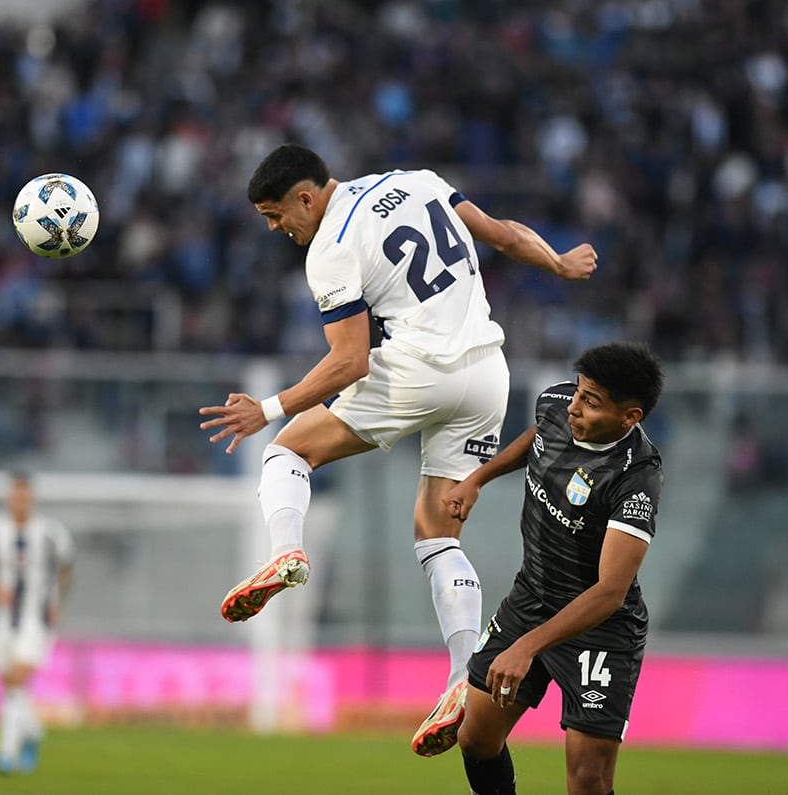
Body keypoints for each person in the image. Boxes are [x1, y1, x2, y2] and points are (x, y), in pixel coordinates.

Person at [199, 143, 598, 755]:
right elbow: (503, 235)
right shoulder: (417, 181)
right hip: (489, 373)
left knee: (287, 451)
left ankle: (287, 552)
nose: (278, 229)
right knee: (438, 533)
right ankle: (466, 677)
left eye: (276, 215)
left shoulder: (329, 250)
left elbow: (350, 360)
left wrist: (270, 407)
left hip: (417, 368)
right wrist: (561, 264)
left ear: (306, 197)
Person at [444, 342, 664, 795]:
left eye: (591, 402)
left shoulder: (635, 478)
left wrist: (526, 647)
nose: (574, 407)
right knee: (475, 738)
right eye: (579, 392)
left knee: (587, 780)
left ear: (630, 417)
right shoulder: (559, 402)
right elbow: (539, 435)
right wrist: (477, 479)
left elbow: (609, 593)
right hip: (531, 598)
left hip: (599, 627)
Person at [0, 470, 74, 775]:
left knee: (17, 680)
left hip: (36, 619)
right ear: (9, 496)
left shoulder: (51, 533)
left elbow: (66, 570)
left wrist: (57, 603)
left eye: (25, 493)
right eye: (16, 493)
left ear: (31, 497)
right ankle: (33, 733)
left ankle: (5, 752)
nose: (20, 498)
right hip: (1, 620)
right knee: (11, 687)